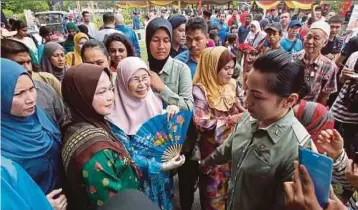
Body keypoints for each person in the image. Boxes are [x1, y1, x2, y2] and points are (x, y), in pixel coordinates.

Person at [200, 50, 316, 209]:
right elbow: (230, 146)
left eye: (257, 96)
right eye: (247, 90)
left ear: (289, 100)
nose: (247, 102)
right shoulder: (251, 117)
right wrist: (206, 162)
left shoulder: (299, 150)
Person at [107, 57, 185, 210]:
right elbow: (128, 156)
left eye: (145, 78)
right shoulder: (114, 117)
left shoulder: (155, 100)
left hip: (163, 179)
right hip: (139, 181)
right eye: (135, 80)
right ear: (123, 82)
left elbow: (166, 136)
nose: (142, 85)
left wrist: (171, 113)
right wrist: (160, 166)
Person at [61, 63, 140, 209]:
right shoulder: (95, 151)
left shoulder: (77, 124)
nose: (110, 97)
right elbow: (111, 204)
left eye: (111, 89)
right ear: (80, 96)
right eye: (101, 92)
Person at [1, 58, 66, 207]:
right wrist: (40, 204)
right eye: (18, 94)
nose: (30, 99)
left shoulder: (39, 116)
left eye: (32, 89)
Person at [192, 47, 244, 210]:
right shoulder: (201, 90)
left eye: (232, 68)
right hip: (212, 153)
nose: (230, 73)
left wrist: (243, 107)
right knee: (213, 194)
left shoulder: (233, 85)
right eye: (225, 68)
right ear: (211, 68)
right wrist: (230, 120)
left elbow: (245, 105)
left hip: (234, 149)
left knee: (232, 191)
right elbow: (200, 122)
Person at [1, 40, 66, 126]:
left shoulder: (45, 88)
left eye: (28, 62)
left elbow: (63, 121)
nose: (28, 68)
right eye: (20, 63)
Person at [145, 17, 193, 111]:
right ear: (148, 42)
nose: (161, 46)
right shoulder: (141, 69)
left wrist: (162, 89)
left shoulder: (181, 69)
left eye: (166, 40)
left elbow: (188, 107)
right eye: (155, 40)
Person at [293, 21, 338, 105]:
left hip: (307, 110)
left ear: (325, 42)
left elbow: (324, 95)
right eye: (308, 37)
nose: (310, 42)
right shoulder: (293, 58)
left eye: (316, 38)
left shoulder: (329, 66)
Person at [331, 51, 358, 157]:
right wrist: (343, 75)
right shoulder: (355, 55)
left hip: (354, 119)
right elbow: (341, 80)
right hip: (337, 109)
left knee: (346, 150)